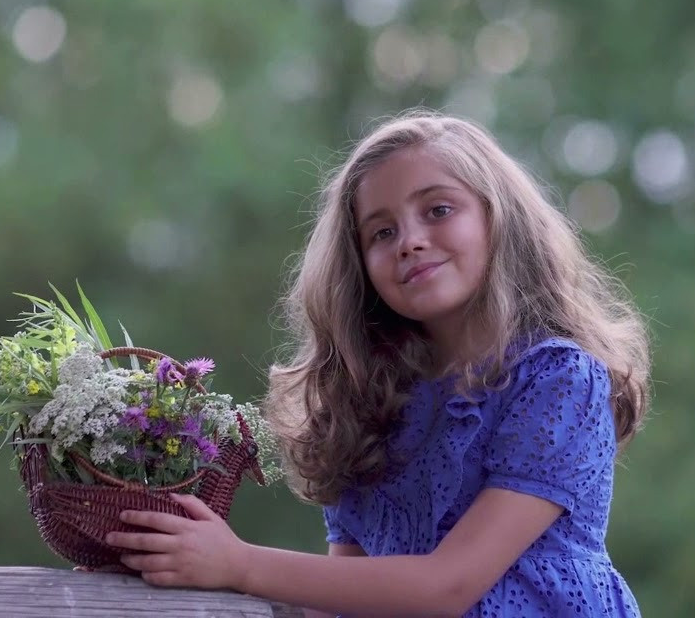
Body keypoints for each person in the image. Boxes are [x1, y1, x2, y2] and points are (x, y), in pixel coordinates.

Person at [107, 111, 651, 617]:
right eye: (381, 232)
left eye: (438, 210)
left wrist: (239, 565)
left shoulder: (558, 380)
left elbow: (451, 585)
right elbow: (348, 596)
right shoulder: (368, 408)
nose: (410, 241)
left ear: (498, 218)